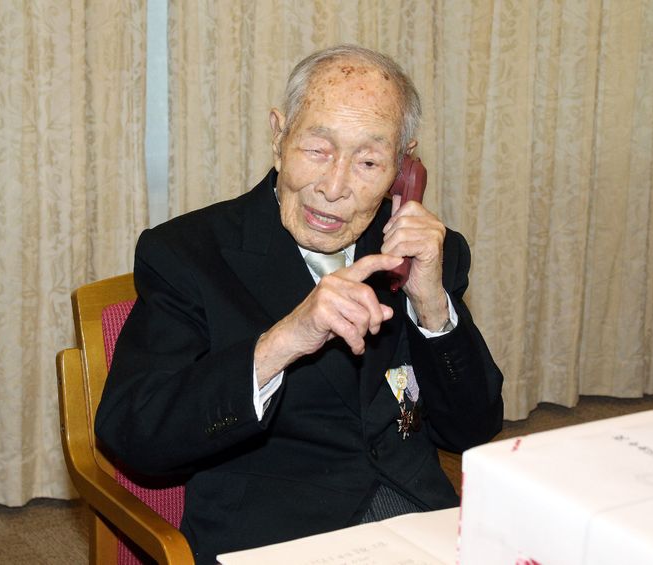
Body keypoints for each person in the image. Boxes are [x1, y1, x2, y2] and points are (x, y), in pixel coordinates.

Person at [95, 44, 503, 562]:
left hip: (417, 518)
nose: (334, 188)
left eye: (369, 162)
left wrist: (432, 306)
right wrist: (284, 340)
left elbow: (472, 428)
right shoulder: (187, 253)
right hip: (275, 532)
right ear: (279, 135)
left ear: (403, 167)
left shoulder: (422, 253)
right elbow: (135, 435)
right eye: (317, 150)